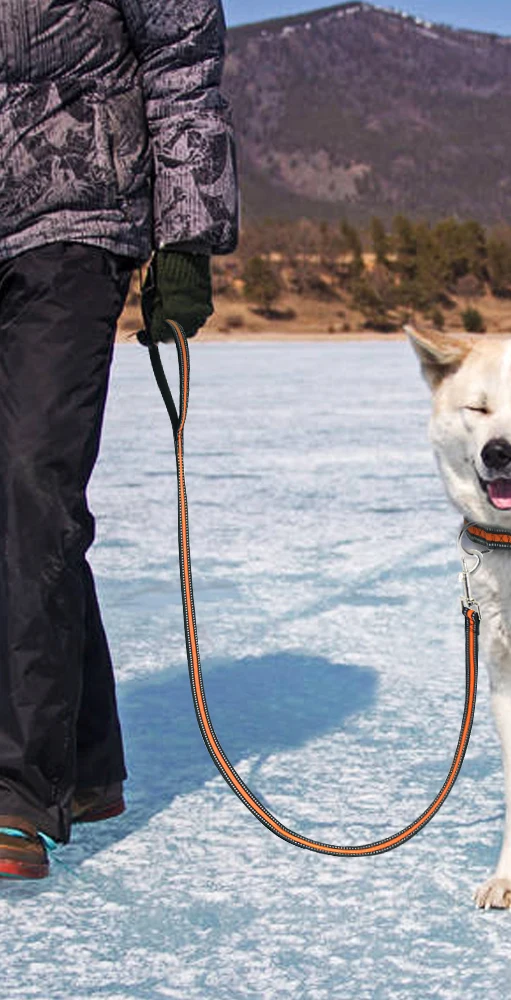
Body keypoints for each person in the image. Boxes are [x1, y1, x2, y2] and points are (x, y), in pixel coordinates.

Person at [0, 0, 239, 879]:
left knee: (34, 480)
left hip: (75, 221)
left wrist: (186, 239)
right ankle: (89, 763)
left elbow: (181, 60)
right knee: (19, 499)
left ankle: (15, 788)